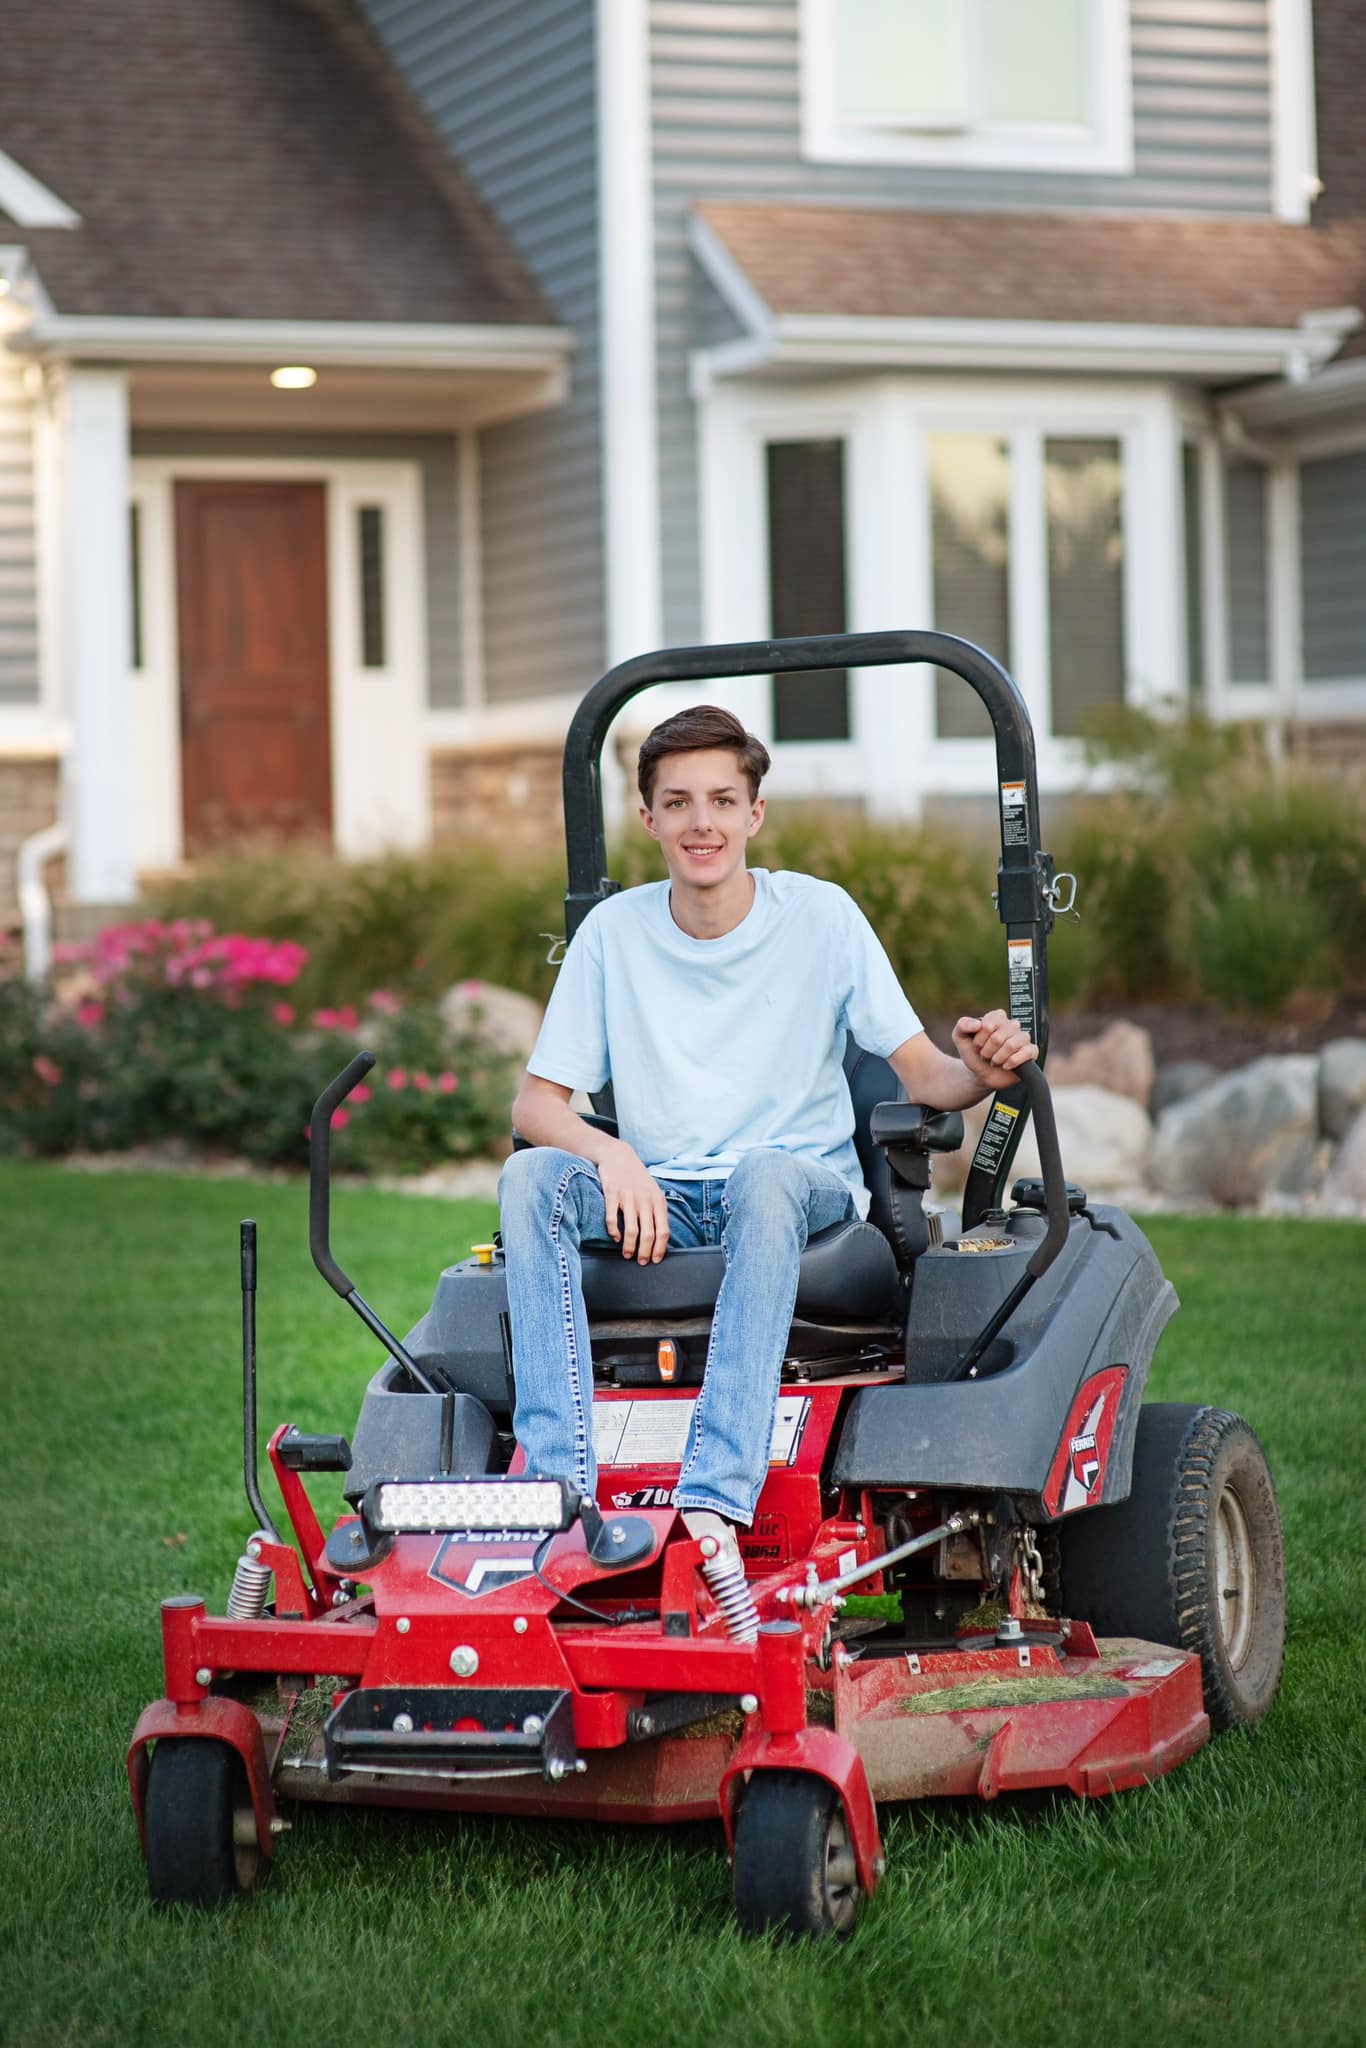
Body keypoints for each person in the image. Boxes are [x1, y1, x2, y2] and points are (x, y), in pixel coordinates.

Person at [498, 705, 1036, 1623]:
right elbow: (535, 1107)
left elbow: (925, 1076)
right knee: (530, 1178)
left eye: (720, 799)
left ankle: (713, 1498)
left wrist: (979, 1072)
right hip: (662, 1198)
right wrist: (609, 1151)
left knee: (765, 1172)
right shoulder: (613, 937)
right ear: (649, 820)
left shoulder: (820, 918)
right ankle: (558, 1493)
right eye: (678, 803)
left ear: (754, 813)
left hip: (803, 1199)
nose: (699, 822)